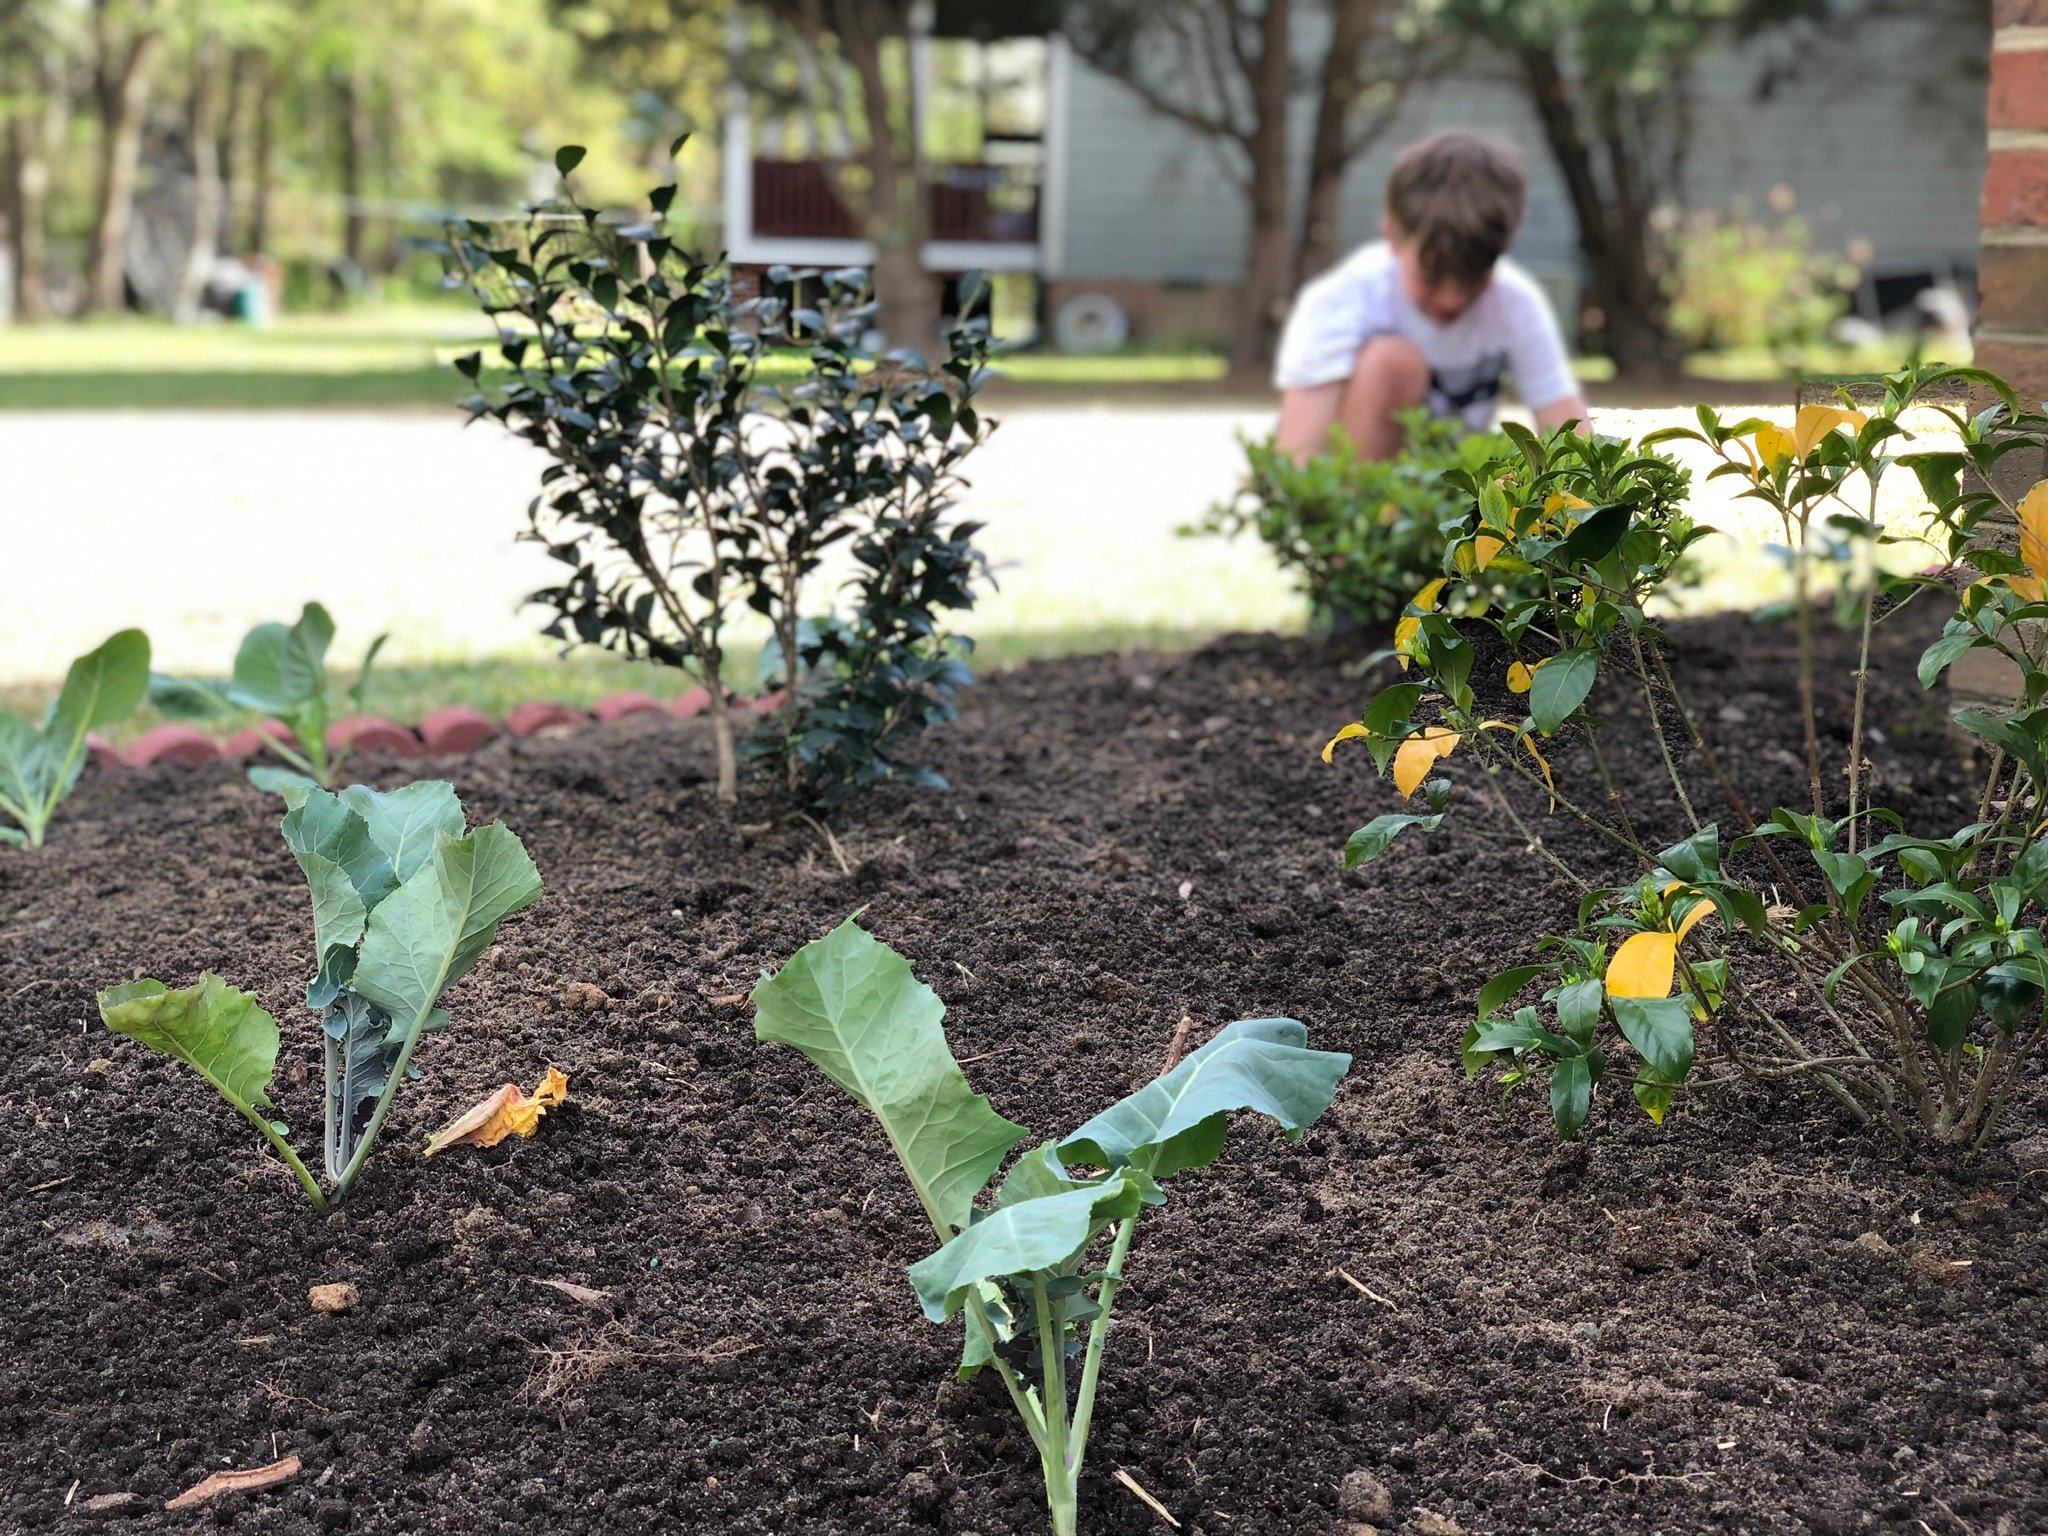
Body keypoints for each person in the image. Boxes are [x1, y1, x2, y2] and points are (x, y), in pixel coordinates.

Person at [1273, 130, 1589, 462]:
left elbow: (1567, 429)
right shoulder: (1342, 301)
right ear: (1392, 236)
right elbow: (1297, 458)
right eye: (1431, 276)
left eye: (1472, 278)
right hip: (1362, 494)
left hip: (1456, 493)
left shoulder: (1514, 301)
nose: (1451, 299)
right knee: (1392, 362)